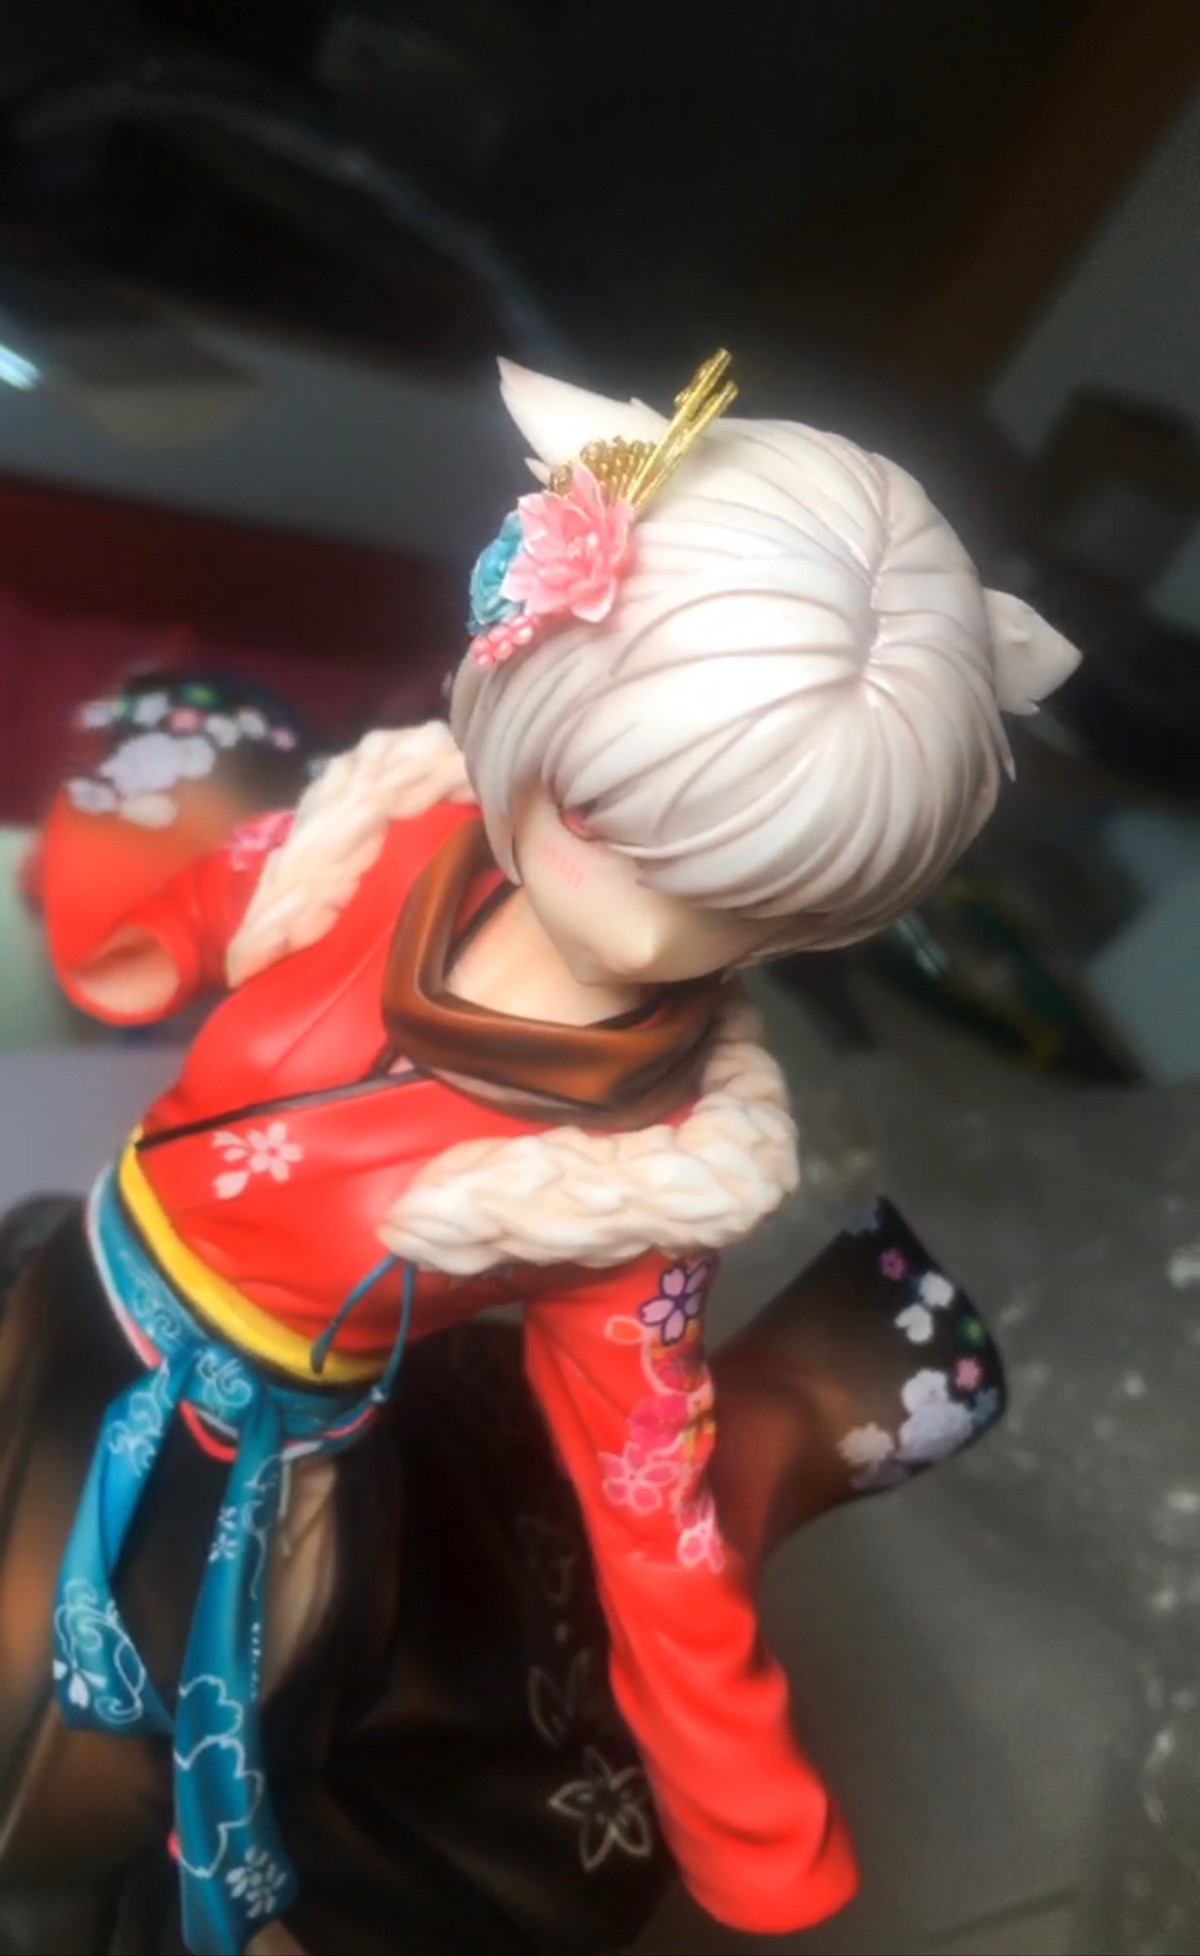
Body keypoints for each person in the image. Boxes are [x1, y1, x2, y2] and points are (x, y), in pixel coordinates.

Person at [0, 353, 1078, 1956]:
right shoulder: (397, 829)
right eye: (605, 823)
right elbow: (239, 881)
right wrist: (148, 922)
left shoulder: (637, 1180)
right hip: (77, 1276)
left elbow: (645, 1491)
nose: (644, 927)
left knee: (57, 1763)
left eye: (744, 894)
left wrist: (751, 1823)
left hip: (229, 1467)